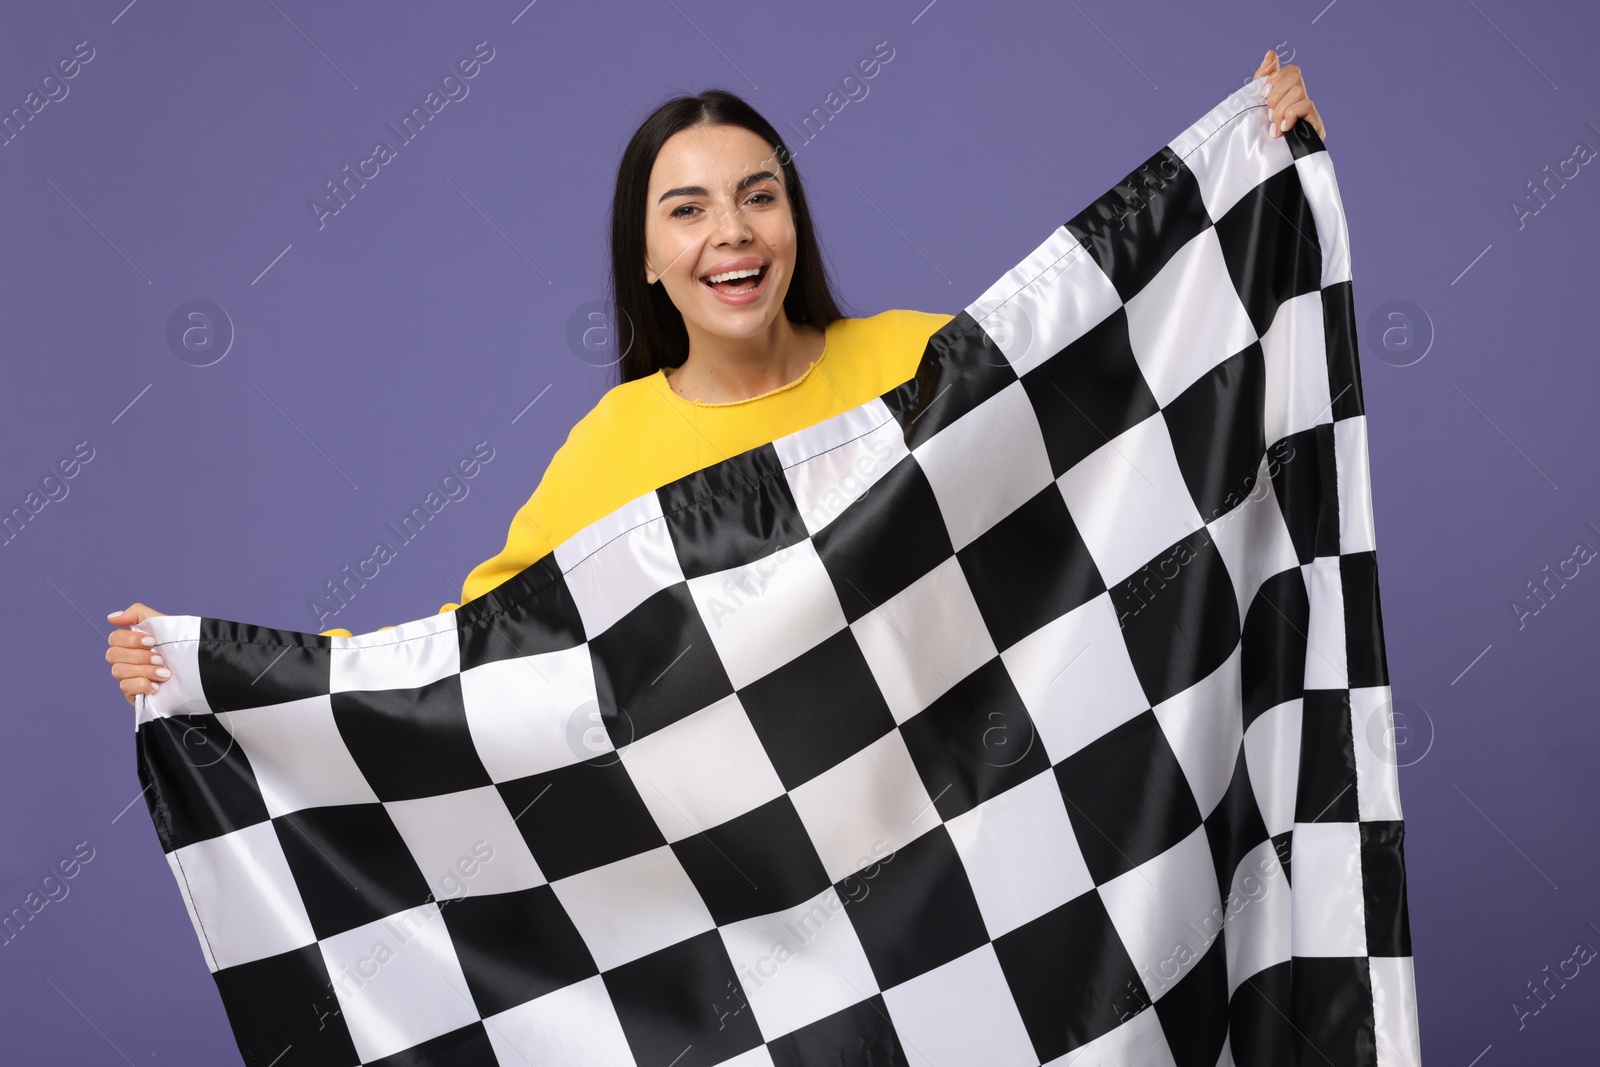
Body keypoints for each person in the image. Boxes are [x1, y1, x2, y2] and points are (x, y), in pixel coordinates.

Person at [106, 50, 1325, 705]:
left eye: (758, 195)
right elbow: (476, 655)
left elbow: (1121, 400)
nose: (730, 234)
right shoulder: (614, 444)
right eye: (685, 210)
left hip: (970, 829)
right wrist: (228, 669)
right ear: (647, 255)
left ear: (793, 216)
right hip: (757, 886)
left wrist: (1259, 183)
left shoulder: (917, 360)